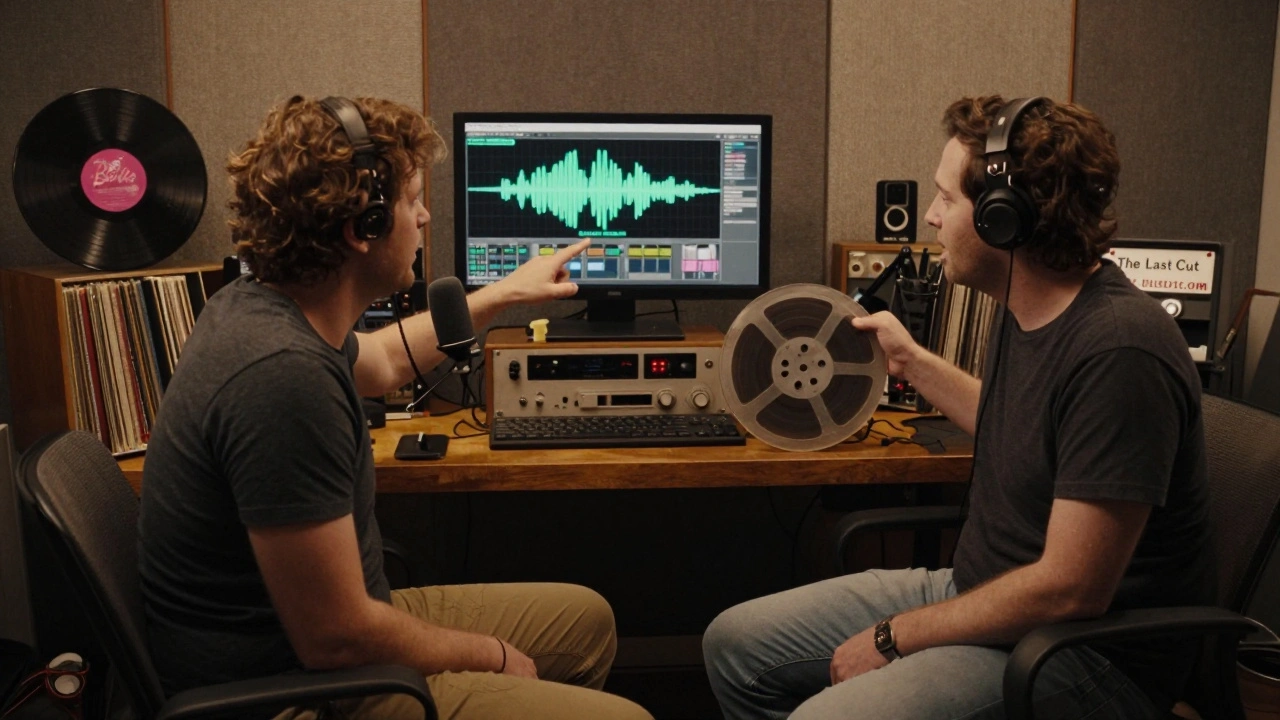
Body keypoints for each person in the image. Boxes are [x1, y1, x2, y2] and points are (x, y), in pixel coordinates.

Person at [137, 95, 653, 720]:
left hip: (329, 626)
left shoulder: (264, 305)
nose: (427, 217)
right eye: (412, 202)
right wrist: (490, 655)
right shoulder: (281, 379)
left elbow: (384, 363)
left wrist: (503, 295)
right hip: (298, 688)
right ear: (366, 229)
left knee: (586, 620)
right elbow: (336, 637)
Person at [703, 95, 1213, 719]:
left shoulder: (1119, 349)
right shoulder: (1027, 305)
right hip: (983, 593)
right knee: (734, 645)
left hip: (1081, 654)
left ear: (1006, 220)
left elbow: (1069, 587)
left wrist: (894, 637)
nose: (931, 217)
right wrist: (910, 360)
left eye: (947, 198)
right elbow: (1020, 426)